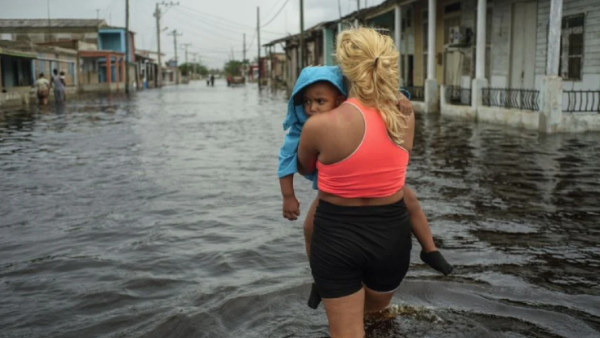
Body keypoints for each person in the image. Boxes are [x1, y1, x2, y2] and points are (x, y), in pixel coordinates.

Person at [279, 66, 452, 308]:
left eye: (320, 101)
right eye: (307, 102)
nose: (312, 108)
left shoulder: (348, 116)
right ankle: (319, 278)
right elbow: (287, 160)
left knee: (409, 200)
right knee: (309, 227)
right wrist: (289, 196)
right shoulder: (305, 127)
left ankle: (430, 249)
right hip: (336, 190)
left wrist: (399, 96)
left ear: (339, 99)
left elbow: (377, 94)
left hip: (375, 189)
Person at [295, 27, 428, 338]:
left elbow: (304, 166)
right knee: (379, 319)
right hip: (391, 236)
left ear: (345, 69)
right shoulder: (403, 116)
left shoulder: (319, 124)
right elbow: (397, 162)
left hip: (337, 236)